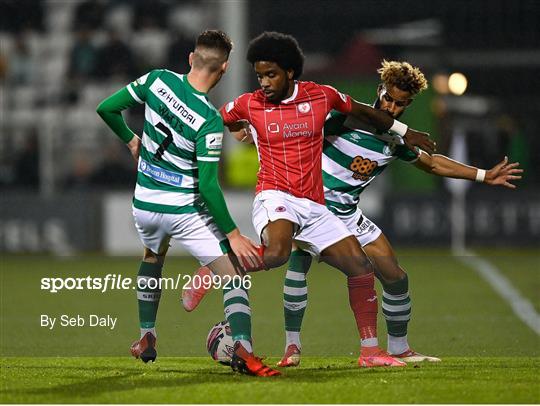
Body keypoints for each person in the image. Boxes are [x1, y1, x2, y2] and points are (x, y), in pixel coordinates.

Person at [184, 32, 436, 368]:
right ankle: (216, 267)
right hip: (274, 194)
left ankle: (370, 352)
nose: (263, 82)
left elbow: (364, 113)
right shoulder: (250, 102)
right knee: (278, 254)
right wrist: (233, 130)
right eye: (259, 75)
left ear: (290, 72)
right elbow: (215, 117)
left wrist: (407, 134)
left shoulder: (321, 96)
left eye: (270, 74)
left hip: (315, 204)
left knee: (360, 266)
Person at [275, 60, 523, 367]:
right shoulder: (346, 118)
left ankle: (399, 348)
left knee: (395, 277)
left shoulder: (395, 139)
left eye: (401, 104)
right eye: (389, 99)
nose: (392, 107)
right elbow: (297, 131)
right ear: (380, 90)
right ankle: (293, 348)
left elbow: (432, 163)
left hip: (349, 214)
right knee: (301, 263)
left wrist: (485, 175)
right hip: (314, 208)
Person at [96, 30, 279, 377]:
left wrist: (131, 140)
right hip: (183, 211)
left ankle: (146, 337)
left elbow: (106, 108)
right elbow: (209, 187)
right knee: (234, 276)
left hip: (144, 205)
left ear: (191, 58)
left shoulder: (157, 80)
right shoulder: (208, 119)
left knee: (152, 258)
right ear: (223, 69)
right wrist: (234, 233)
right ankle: (244, 349)